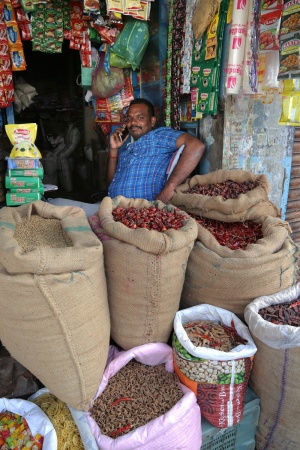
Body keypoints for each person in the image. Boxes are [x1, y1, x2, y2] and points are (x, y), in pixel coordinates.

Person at [47, 98, 205, 215]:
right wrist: (114, 151)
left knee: (56, 208)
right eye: (129, 118)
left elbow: (196, 146)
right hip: (111, 208)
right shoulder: (128, 149)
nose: (133, 122)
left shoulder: (160, 135)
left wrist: (169, 188)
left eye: (140, 117)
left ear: (152, 121)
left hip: (138, 212)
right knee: (53, 204)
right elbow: (110, 184)